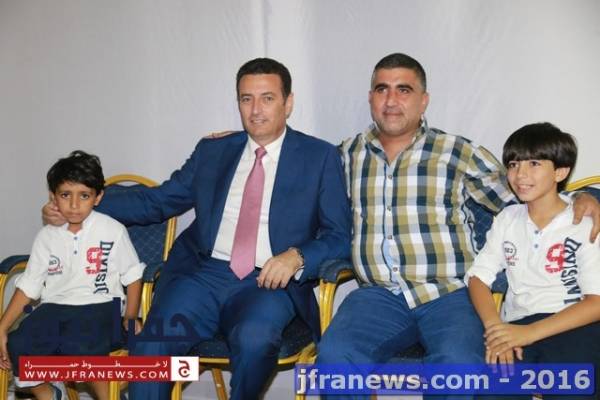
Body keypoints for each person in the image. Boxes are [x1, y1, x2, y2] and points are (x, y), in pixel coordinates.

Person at [43, 58, 351, 400]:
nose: (255, 110)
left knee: (255, 339)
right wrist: (81, 202)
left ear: (288, 103)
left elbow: (339, 236)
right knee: (151, 344)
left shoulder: (319, 157)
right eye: (246, 99)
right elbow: (157, 201)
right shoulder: (214, 151)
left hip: (267, 283)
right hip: (202, 277)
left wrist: (297, 256)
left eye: (267, 98)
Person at [314, 53, 600, 400]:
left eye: (404, 90)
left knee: (460, 366)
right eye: (382, 89)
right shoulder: (344, 156)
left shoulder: (456, 152)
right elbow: (301, 195)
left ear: (424, 100)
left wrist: (584, 196)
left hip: (449, 294)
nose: (391, 100)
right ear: (370, 97)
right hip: (377, 296)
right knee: (335, 359)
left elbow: (526, 189)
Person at [466, 122, 600, 399]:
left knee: (574, 384)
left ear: (560, 172)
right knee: (491, 389)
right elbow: (478, 278)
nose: (520, 174)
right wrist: (496, 330)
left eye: (534, 163)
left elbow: (596, 303)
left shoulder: (584, 221)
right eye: (513, 164)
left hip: (573, 324)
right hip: (517, 325)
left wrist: (529, 334)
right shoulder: (507, 219)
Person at [1, 150, 143, 400]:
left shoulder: (112, 230)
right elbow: (30, 285)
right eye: (66, 195)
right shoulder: (47, 236)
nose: (74, 205)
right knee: (19, 343)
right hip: (55, 307)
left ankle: (110, 397)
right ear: (53, 196)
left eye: (84, 195)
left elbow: (132, 275)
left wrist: (130, 316)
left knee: (84, 345)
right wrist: (2, 327)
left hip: (102, 305)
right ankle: (49, 394)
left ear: (98, 197)